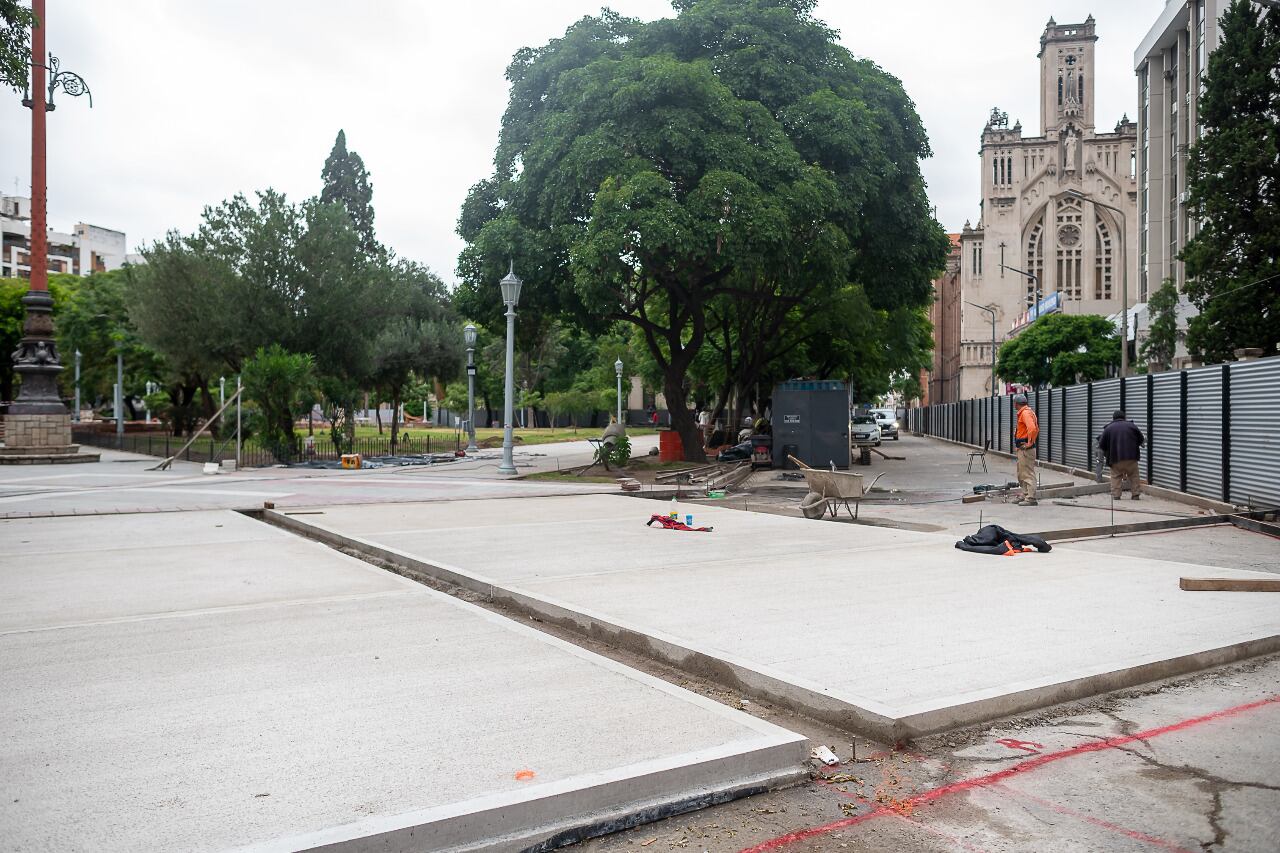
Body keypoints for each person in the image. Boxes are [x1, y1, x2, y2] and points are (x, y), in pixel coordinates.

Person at [1098, 410, 1145, 500]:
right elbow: (1141, 440)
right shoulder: (1132, 426)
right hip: (1131, 457)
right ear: (1124, 417)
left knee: (1116, 476)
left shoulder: (1108, 428)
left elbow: (1101, 445)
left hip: (1115, 458)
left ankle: (1116, 495)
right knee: (1134, 475)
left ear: (1113, 418)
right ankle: (1135, 494)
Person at [1012, 393, 1040, 506]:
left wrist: (1029, 443)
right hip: (1022, 449)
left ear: (1017, 403)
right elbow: (1036, 429)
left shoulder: (1025, 413)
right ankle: (1025, 494)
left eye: (1014, 403)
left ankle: (1031, 498)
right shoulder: (1026, 412)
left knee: (1027, 473)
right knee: (1021, 472)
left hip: (1026, 450)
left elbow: (1033, 429)